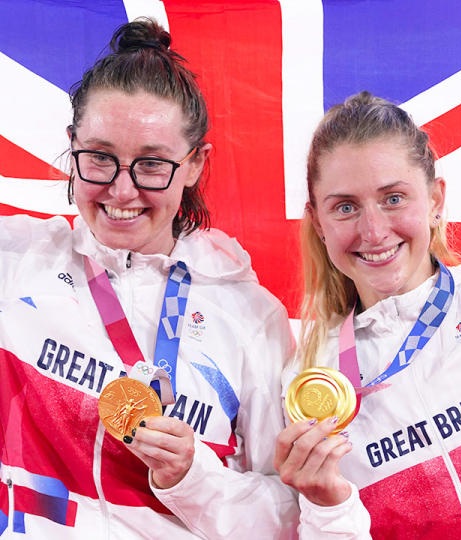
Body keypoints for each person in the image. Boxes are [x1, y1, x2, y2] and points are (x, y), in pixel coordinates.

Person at [0, 18, 328, 538]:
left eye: (152, 165)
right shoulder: (16, 260)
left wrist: (192, 476)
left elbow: (288, 515)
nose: (122, 191)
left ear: (196, 163)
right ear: (71, 144)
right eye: (100, 158)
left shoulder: (250, 316)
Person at [274, 92, 461, 539]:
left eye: (393, 198)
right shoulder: (310, 379)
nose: (373, 232)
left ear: (435, 199)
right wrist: (325, 511)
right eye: (345, 207)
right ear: (317, 222)